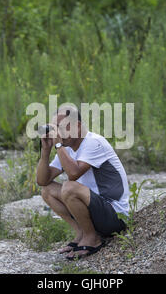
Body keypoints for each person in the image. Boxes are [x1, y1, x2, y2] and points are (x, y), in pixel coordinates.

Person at [36, 106, 129, 260]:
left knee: (69, 187)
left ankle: (92, 238)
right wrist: (45, 152)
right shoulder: (67, 148)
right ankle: (82, 232)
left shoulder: (94, 142)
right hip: (95, 210)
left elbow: (73, 174)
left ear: (77, 127)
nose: (57, 132)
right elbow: (42, 181)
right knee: (48, 190)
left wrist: (58, 145)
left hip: (114, 216)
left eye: (61, 127)